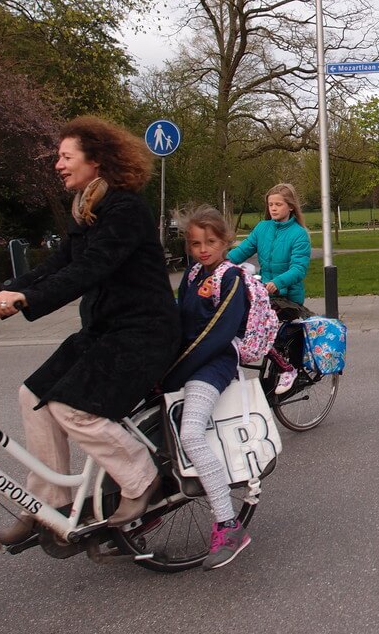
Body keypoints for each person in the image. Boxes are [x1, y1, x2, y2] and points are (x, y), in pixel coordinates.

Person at [0, 116, 180, 545]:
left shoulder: (125, 209)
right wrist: (7, 292)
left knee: (73, 409)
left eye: (65, 156)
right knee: (33, 396)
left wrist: (28, 301)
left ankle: (141, 478)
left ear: (96, 161)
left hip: (142, 333)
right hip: (106, 330)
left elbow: (90, 269)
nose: (57, 164)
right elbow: (61, 264)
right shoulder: (89, 207)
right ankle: (47, 504)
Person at [166, 206, 251, 570]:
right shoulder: (192, 274)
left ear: (225, 241)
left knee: (192, 435)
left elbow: (216, 333)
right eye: (195, 243)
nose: (202, 249)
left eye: (210, 242)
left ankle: (228, 524)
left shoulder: (231, 277)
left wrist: (175, 369)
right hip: (186, 361)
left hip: (213, 364)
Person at [227, 183, 310, 393]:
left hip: (287, 296)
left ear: (290, 207)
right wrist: (219, 265)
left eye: (278, 204)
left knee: (261, 326)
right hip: (263, 292)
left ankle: (287, 368)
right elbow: (242, 251)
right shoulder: (262, 228)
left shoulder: (299, 234)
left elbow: (299, 269)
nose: (273, 208)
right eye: (271, 204)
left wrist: (278, 282)